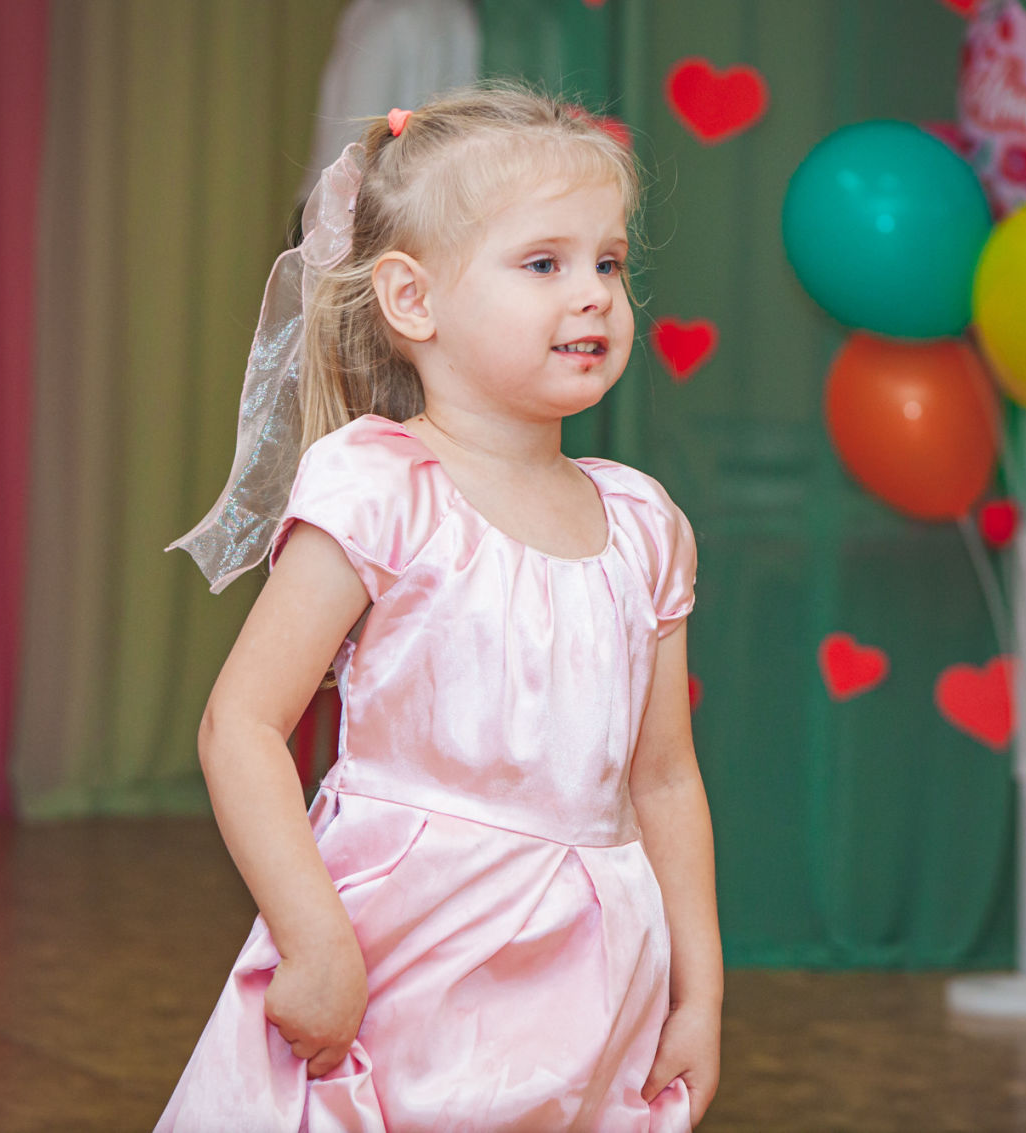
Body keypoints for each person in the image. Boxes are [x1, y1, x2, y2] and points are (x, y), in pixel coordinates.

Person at [158, 80, 721, 1132]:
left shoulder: (646, 524)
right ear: (412, 300)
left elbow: (662, 776)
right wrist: (313, 937)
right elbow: (241, 725)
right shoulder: (380, 487)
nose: (594, 294)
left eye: (608, 262)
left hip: (591, 983)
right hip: (406, 962)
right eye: (544, 263)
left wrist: (700, 994)